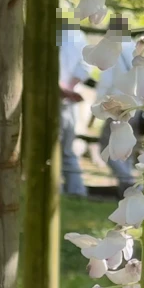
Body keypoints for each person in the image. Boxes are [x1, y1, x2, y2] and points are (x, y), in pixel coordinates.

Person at [94, 33, 142, 193]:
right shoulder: (139, 48)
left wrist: (100, 104)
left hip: (118, 104)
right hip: (138, 104)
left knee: (107, 145)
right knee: (127, 147)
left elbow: (106, 80)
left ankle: (128, 181)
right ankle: (128, 187)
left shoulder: (113, 50)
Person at [58, 23, 90, 196]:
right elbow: (85, 65)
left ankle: (69, 190)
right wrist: (69, 88)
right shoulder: (78, 36)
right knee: (66, 149)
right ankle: (76, 190)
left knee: (59, 146)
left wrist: (64, 89)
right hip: (68, 97)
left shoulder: (75, 35)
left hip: (61, 97)